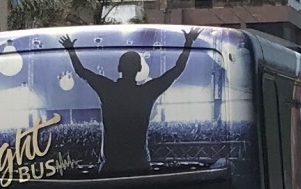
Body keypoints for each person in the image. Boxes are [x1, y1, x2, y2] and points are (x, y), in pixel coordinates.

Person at [59, 28, 201, 176]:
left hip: (111, 167)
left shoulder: (107, 89)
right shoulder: (147, 92)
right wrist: (188, 43)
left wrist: (71, 50)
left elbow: (81, 71)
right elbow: (176, 71)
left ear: (119, 67)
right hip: (139, 166)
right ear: (139, 68)